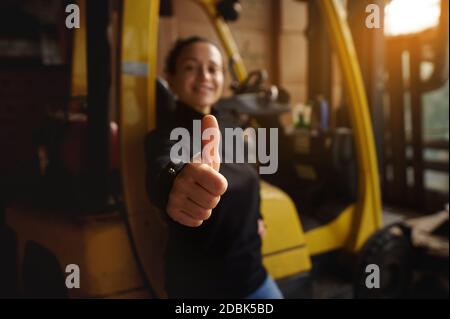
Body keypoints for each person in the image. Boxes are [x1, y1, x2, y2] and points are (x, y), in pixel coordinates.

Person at [145, 36, 283, 299]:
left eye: (213, 69)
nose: (204, 76)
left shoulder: (232, 128)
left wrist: (257, 216)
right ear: (170, 78)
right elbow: (162, 170)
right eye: (190, 67)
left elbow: (250, 178)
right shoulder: (166, 136)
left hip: (254, 278)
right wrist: (175, 182)